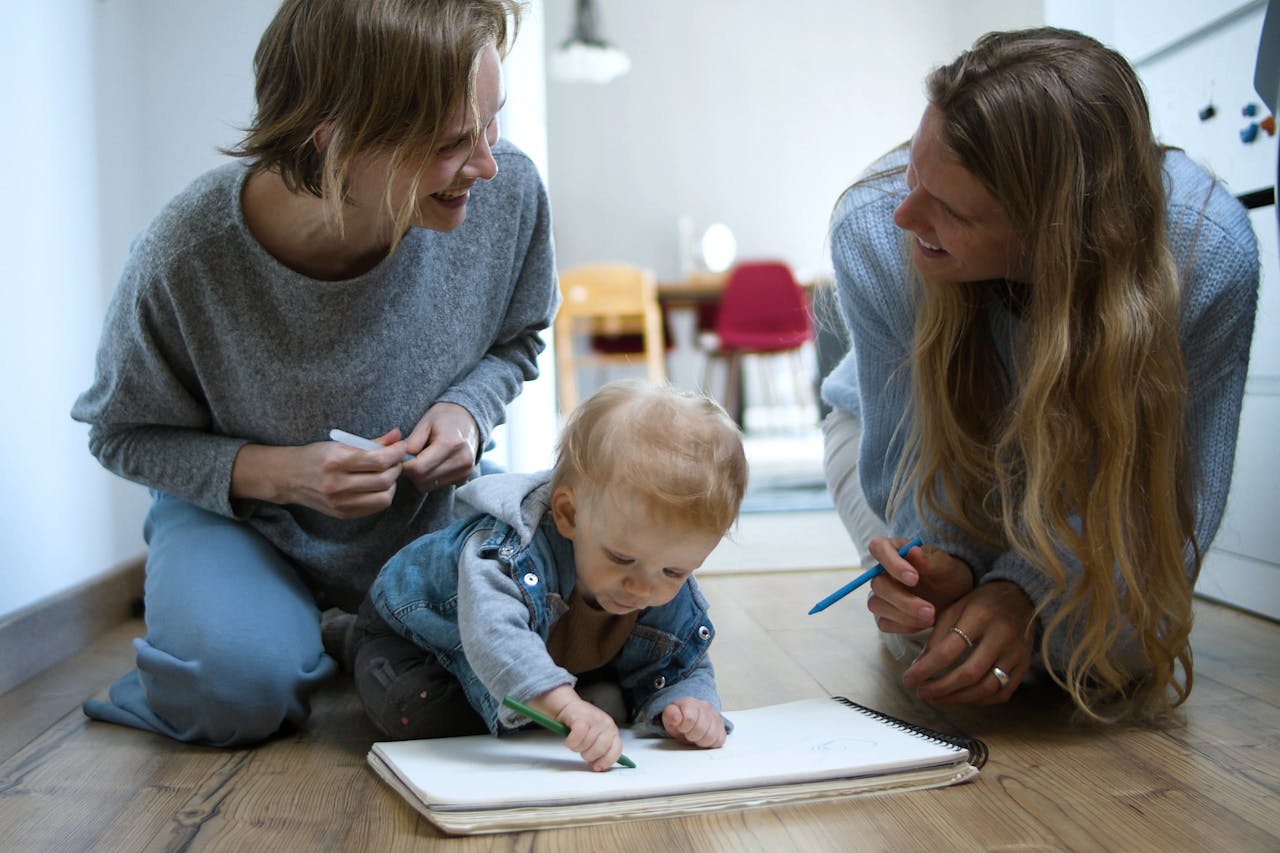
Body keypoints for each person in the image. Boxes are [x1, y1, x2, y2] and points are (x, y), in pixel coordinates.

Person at [70, 0, 557, 746]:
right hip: (243, 525)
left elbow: (518, 338)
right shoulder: (185, 257)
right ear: (331, 143)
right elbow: (120, 434)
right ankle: (261, 642)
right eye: (454, 141)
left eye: (491, 122)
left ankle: (331, 635)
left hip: (421, 520)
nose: (488, 162)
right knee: (229, 693)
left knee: (546, 659)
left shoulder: (506, 194)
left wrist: (468, 409)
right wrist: (282, 475)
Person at [820, 27, 1260, 721]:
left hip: (1091, 482)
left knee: (1107, 659)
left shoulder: (1208, 253)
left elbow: (1165, 505)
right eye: (914, 170)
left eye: (952, 211)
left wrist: (1028, 591)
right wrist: (942, 562)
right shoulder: (875, 230)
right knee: (938, 639)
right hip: (884, 439)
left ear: (1055, 235)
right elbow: (903, 461)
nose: (907, 214)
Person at [348, 381, 748, 771]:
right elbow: (495, 635)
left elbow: (681, 659)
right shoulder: (509, 553)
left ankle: (556, 699)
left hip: (543, 659)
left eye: (675, 570)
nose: (643, 586)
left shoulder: (654, 570)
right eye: (621, 558)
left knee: (606, 702)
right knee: (419, 715)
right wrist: (566, 706)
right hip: (412, 640)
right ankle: (345, 636)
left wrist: (691, 704)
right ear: (569, 515)